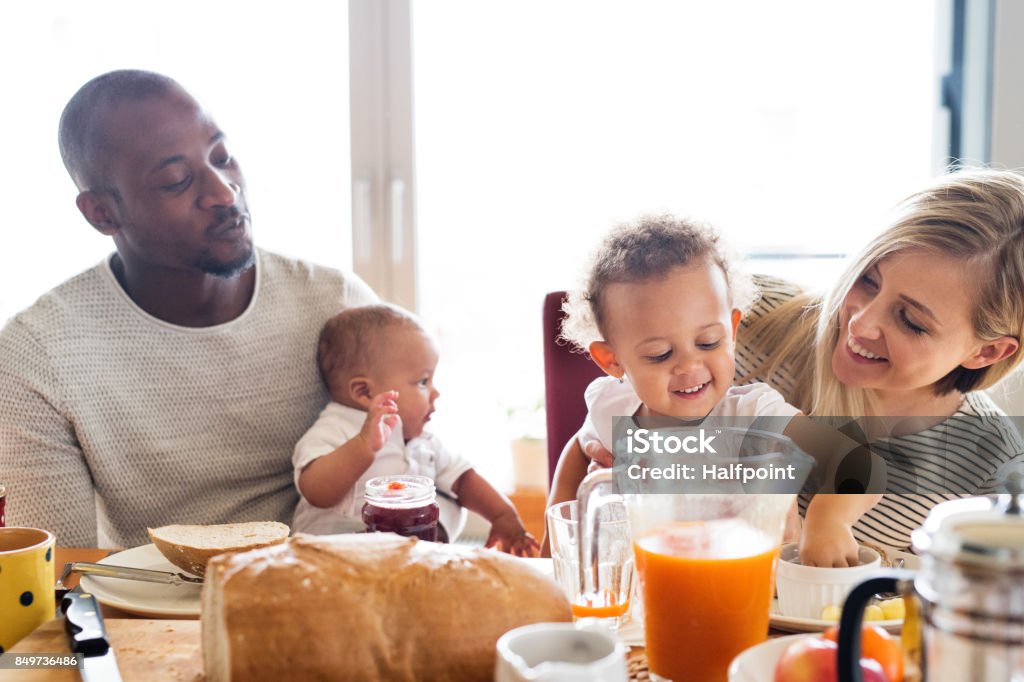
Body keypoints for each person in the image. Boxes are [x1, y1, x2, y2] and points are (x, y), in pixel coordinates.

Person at [0, 70, 377, 548]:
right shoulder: (38, 355)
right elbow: (57, 573)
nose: (224, 192)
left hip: (334, 590)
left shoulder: (336, 304)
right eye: (177, 181)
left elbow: (413, 476)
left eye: (222, 157)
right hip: (148, 613)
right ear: (102, 213)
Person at [576, 169, 1024, 566]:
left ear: (986, 353)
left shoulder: (994, 466)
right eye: (867, 279)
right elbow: (599, 432)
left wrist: (824, 523)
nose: (860, 323)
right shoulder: (738, 320)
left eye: (911, 321)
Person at [546, 215, 806, 516]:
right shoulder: (614, 406)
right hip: (645, 561)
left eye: (708, 342)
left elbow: (855, 458)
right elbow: (580, 445)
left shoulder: (753, 415)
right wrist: (553, 536)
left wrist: (827, 524)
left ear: (732, 332)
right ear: (613, 360)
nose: (689, 366)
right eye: (660, 354)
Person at [292, 303, 538, 556]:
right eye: (422, 381)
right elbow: (317, 492)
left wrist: (503, 515)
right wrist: (363, 444)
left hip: (404, 557)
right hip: (333, 557)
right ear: (364, 392)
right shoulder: (334, 429)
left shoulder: (424, 441)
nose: (435, 392)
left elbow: (464, 481)